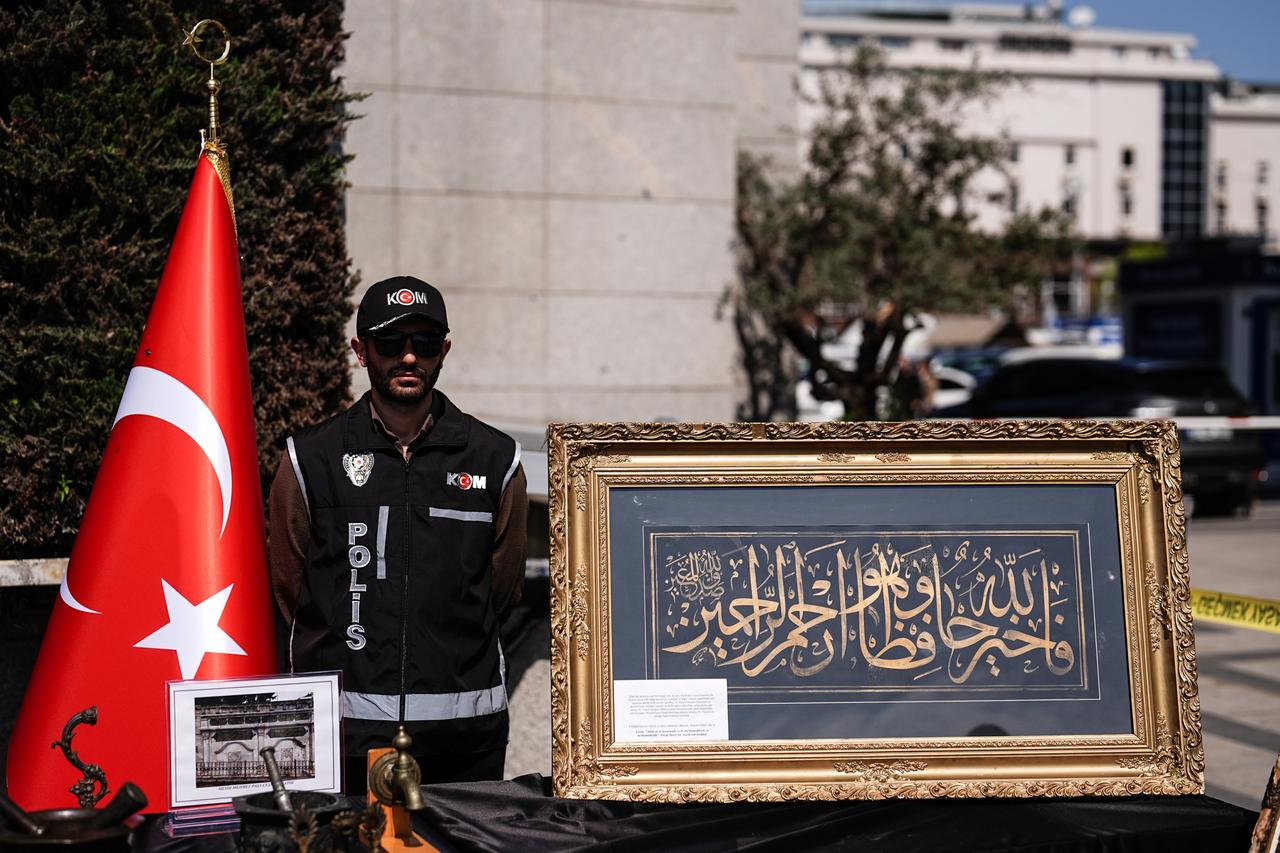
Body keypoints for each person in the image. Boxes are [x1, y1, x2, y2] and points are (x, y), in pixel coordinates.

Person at [268, 276, 527, 792]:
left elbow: (502, 590)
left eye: (424, 343)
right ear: (360, 351)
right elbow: (290, 588)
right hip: (343, 736)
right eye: (390, 342)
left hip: (464, 742)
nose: (408, 357)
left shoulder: (496, 460)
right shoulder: (310, 459)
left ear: (443, 352)